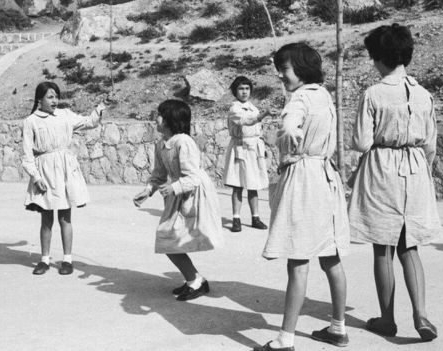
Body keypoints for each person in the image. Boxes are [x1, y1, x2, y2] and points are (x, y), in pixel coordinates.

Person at [348, 23, 440, 341]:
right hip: (415, 168)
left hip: (382, 167)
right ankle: (421, 315)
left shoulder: (373, 94)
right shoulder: (423, 93)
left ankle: (387, 319)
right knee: (409, 245)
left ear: (380, 58)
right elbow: (430, 144)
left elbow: (361, 141)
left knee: (383, 246)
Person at [257, 43, 350, 351]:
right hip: (326, 177)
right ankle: (338, 327)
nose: (281, 76)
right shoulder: (324, 95)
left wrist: (287, 146)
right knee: (329, 256)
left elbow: (287, 127)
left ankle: (285, 339)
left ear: (300, 67)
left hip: (306, 179)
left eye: (284, 69)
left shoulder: (299, 98)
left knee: (298, 259)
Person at [133, 99, 224, 301]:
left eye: (159, 114)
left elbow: (193, 177)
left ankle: (195, 281)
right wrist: (148, 190)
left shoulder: (184, 142)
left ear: (169, 120)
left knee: (169, 238)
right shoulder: (161, 144)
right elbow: (159, 173)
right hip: (177, 194)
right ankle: (194, 279)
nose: (155, 118)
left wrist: (173, 188)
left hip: (192, 195)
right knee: (168, 239)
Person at [21, 81, 105, 276]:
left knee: (65, 218)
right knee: (46, 218)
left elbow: (89, 122)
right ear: (39, 100)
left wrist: (100, 107)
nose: (54, 100)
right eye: (50, 97)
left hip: (66, 170)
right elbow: (27, 155)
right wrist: (35, 177)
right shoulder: (31, 121)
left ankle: (67, 259)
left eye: (56, 96)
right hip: (45, 172)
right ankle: (44, 259)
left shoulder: (66, 115)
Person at [222, 76, 269, 232]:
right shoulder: (234, 108)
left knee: (253, 185)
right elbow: (247, 121)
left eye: (247, 88)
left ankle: (255, 217)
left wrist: (262, 147)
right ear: (235, 91)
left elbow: (257, 130)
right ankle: (236, 219)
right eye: (241, 89)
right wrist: (262, 115)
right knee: (238, 185)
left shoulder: (253, 108)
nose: (244, 92)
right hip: (240, 149)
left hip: (253, 149)